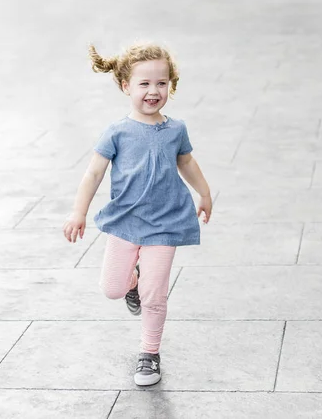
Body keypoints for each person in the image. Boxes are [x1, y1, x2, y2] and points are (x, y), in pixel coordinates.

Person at [62, 42, 212, 386]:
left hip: (166, 222)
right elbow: (93, 174)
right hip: (125, 222)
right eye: (144, 84)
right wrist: (78, 212)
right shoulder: (117, 132)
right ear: (125, 86)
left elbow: (186, 162)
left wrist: (203, 193)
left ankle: (150, 354)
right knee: (112, 289)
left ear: (170, 85)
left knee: (155, 296)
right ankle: (132, 282)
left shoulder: (176, 129)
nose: (153, 91)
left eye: (161, 83)